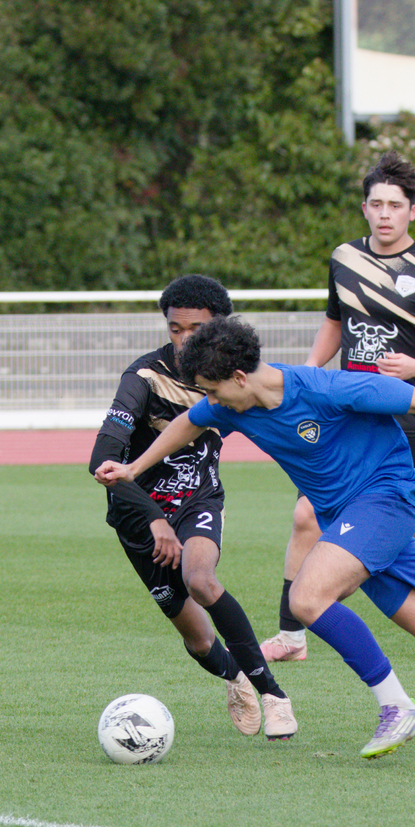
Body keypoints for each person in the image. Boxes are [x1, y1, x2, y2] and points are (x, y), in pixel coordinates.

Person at [95, 316, 415, 761]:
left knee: (307, 597)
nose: (210, 400)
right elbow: (187, 423)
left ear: (240, 377)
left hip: (386, 497)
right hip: (350, 519)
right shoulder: (230, 406)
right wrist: (135, 468)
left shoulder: (327, 388)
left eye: (212, 390)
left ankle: (397, 707)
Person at [261, 150, 415, 664]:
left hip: (409, 414)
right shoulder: (343, 258)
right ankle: (291, 638)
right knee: (306, 515)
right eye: (376, 204)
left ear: (412, 212)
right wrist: (309, 373)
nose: (384, 214)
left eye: (395, 206)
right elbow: (335, 323)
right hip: (347, 415)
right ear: (364, 208)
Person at [88, 274, 298, 741]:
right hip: (138, 513)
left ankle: (273, 696)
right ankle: (235, 677)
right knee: (199, 639)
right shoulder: (143, 378)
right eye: (175, 329)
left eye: (195, 329)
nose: (184, 340)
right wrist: (154, 519)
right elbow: (101, 460)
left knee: (200, 579)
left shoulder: (234, 378)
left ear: (219, 326)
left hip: (197, 497)